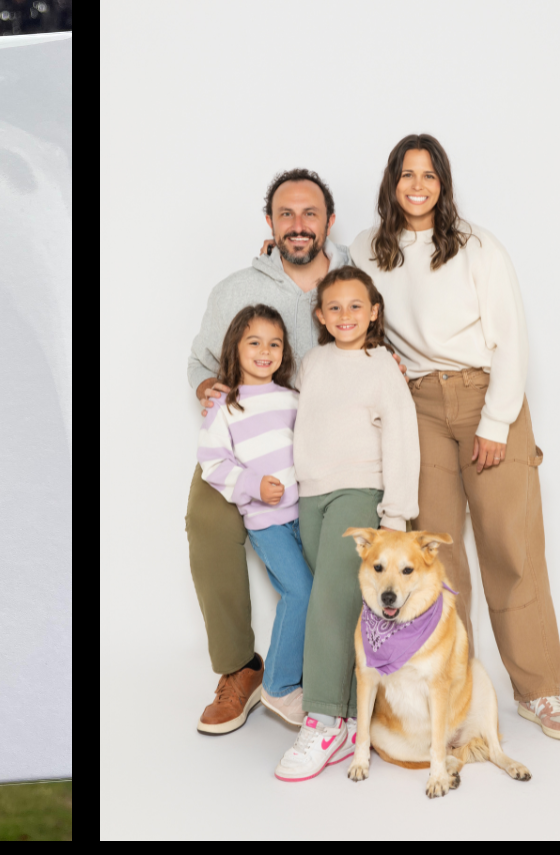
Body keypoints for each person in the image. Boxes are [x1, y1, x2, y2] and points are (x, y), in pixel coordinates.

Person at [348, 133, 560, 740]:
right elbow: (345, 308)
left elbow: (512, 336)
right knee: (434, 561)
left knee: (511, 547)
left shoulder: (478, 247)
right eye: (407, 174)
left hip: (484, 396)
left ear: (443, 184)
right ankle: (453, 697)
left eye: (429, 175)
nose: (418, 185)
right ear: (391, 182)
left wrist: (498, 421)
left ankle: (539, 691)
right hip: (419, 407)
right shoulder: (367, 248)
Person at [189, 169, 406, 735]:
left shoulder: (352, 279)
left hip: (319, 457)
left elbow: (384, 339)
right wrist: (208, 390)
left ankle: (355, 678)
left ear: (330, 222)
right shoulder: (236, 288)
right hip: (244, 445)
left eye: (310, 213)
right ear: (270, 224)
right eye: (286, 214)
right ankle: (242, 669)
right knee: (206, 525)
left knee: (336, 562)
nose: (298, 224)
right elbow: (199, 361)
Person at [273, 265, 420, 781]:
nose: (345, 316)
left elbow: (403, 437)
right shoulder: (312, 363)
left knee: (327, 604)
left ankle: (322, 718)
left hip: (360, 493)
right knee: (341, 605)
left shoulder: (381, 366)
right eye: (333, 307)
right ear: (319, 315)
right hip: (310, 497)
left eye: (356, 306)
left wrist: (396, 515)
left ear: (374, 312)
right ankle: (357, 719)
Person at [196, 305, 311, 736]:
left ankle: (314, 682)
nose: (265, 351)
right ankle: (279, 685)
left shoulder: (293, 399)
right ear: (235, 348)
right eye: (254, 342)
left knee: (319, 595)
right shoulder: (225, 406)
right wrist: (252, 485)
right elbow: (212, 463)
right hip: (268, 522)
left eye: (275, 343)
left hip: (306, 518)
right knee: (300, 592)